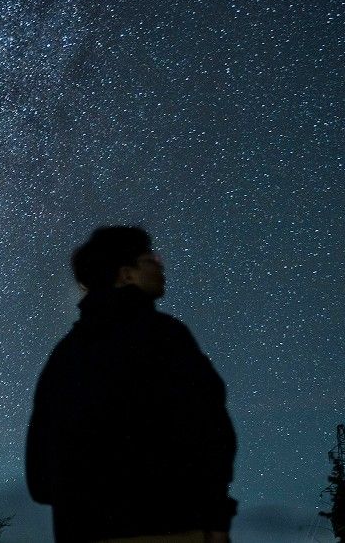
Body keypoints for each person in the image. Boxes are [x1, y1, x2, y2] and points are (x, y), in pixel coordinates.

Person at [26, 226, 237, 543]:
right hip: (170, 526)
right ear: (126, 274)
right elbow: (209, 429)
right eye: (151, 258)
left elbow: (40, 469)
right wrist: (216, 515)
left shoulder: (65, 356)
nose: (160, 264)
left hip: (81, 531)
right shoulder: (165, 337)